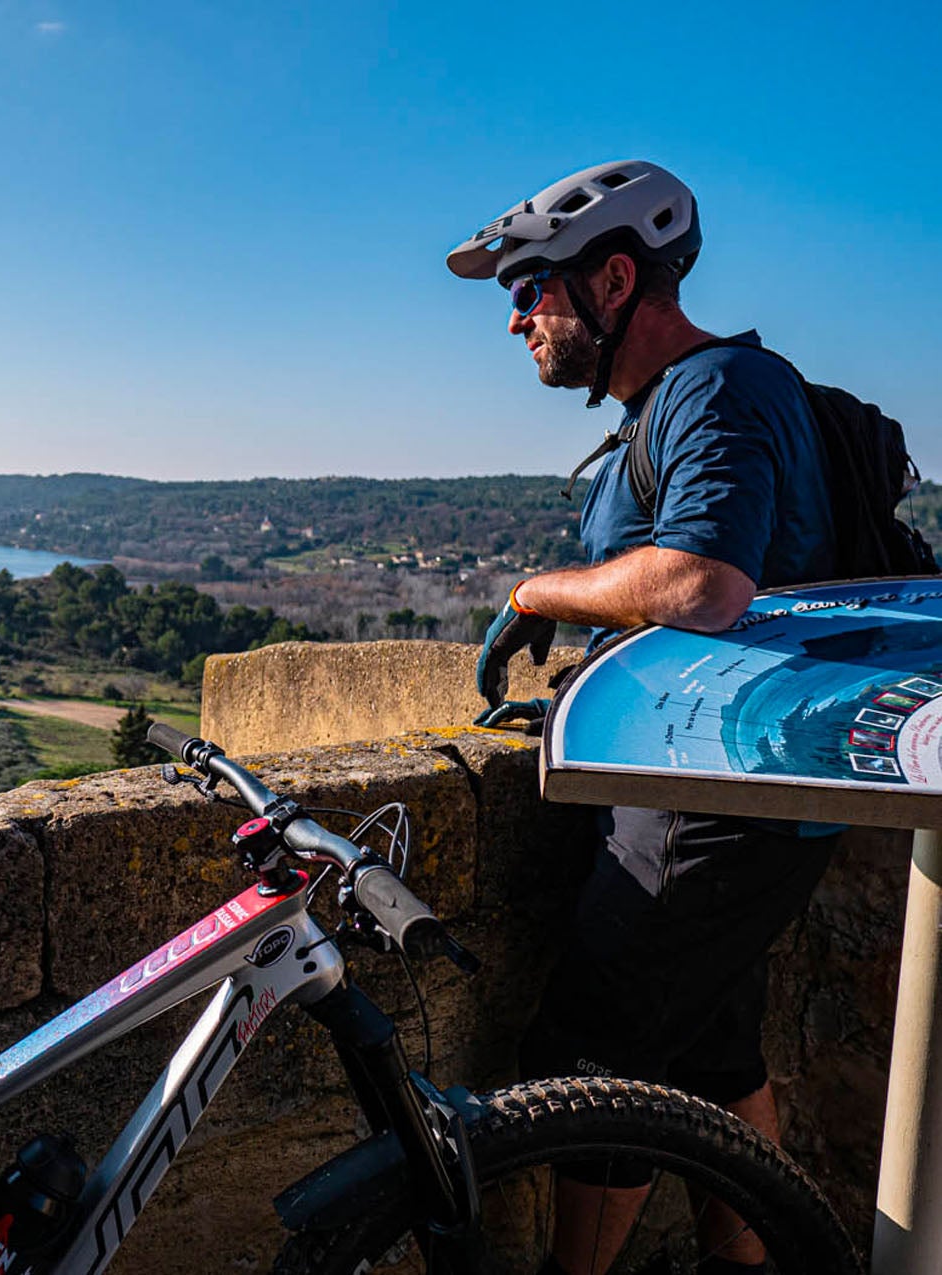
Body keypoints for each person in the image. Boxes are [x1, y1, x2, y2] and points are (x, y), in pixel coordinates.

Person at [446, 160, 840, 1275]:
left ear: (614, 280)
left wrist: (535, 594)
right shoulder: (669, 406)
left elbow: (702, 585)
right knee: (711, 1054)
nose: (517, 318)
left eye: (532, 290)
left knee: (596, 1054)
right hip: (717, 781)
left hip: (710, 794)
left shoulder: (717, 389)